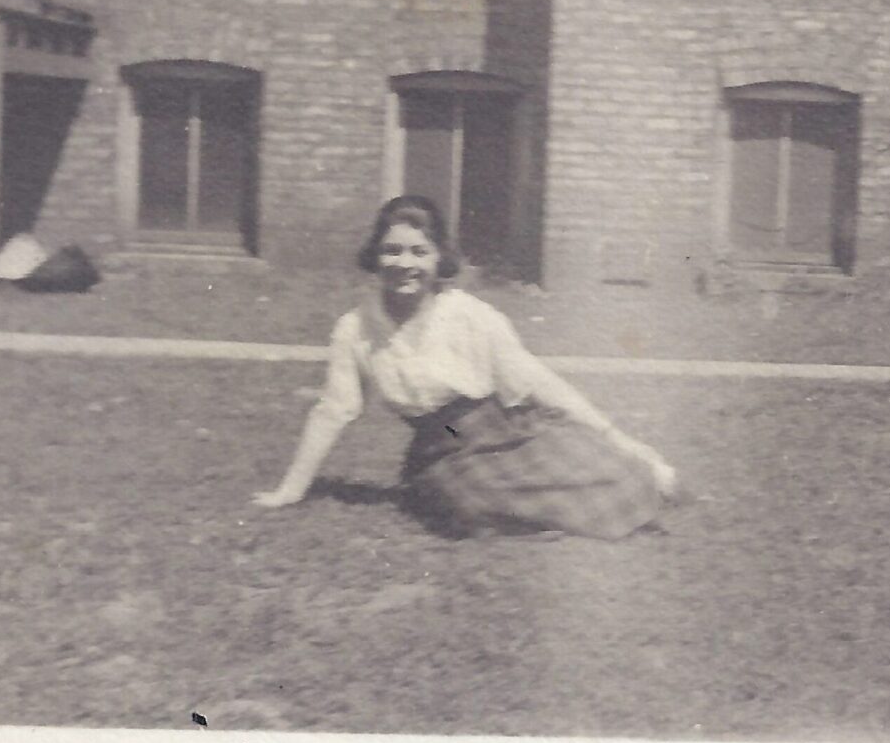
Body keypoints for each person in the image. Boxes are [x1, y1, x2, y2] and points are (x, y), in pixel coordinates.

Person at [252, 195, 679, 539]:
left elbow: (537, 383)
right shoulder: (355, 329)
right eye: (392, 250)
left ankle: (615, 487)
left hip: (505, 430)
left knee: (619, 475)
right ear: (376, 256)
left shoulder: (472, 317)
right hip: (440, 447)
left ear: (439, 260)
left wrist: (614, 436)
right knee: (463, 501)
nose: (405, 264)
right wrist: (291, 489)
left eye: (419, 252)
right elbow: (334, 410)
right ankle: (546, 517)